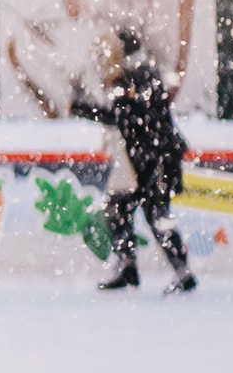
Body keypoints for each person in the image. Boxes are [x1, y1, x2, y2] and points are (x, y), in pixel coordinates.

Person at [72, 26, 195, 293]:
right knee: (122, 208)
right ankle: (131, 267)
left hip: (156, 160)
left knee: (154, 214)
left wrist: (82, 107)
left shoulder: (133, 80)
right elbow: (124, 115)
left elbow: (122, 116)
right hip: (151, 159)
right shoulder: (138, 78)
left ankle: (179, 273)